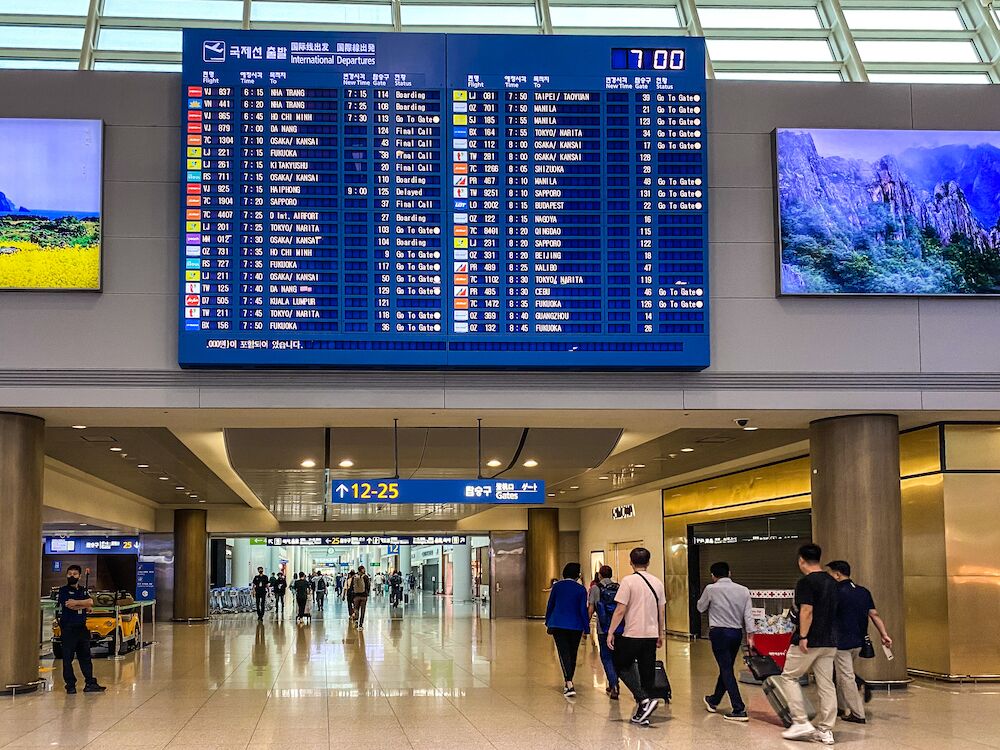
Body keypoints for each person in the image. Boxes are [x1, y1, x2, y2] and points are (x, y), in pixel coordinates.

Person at [780, 544, 839, 745]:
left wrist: (803, 636)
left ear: (801, 560)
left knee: (789, 676)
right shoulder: (833, 581)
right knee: (826, 683)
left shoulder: (805, 582)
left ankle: (800, 721)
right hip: (830, 641)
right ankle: (826, 729)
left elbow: (806, 610)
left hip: (810, 640)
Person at [826, 560, 893, 724]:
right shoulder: (863, 591)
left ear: (837, 574)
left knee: (845, 676)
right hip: (858, 641)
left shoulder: (835, 591)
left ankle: (857, 713)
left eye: (830, 574)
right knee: (841, 674)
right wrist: (884, 634)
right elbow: (874, 614)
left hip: (841, 641)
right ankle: (841, 707)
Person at [607, 547, 666, 727]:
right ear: (648, 562)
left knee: (620, 664)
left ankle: (643, 699)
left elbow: (620, 609)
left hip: (632, 633)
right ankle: (644, 712)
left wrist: (610, 631)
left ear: (631, 562)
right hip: (650, 634)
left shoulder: (628, 581)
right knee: (646, 671)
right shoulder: (657, 582)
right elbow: (661, 610)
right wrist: (660, 632)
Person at [697, 561, 757, 722]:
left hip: (719, 633)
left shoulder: (711, 589)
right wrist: (751, 636)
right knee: (727, 667)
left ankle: (739, 708)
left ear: (713, 576)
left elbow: (700, 607)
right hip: (736, 633)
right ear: (729, 573)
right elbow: (748, 615)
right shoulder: (743, 590)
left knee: (726, 668)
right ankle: (714, 700)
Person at [56, 564, 106, 694]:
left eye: (75, 574)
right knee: (68, 658)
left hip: (81, 628)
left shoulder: (83, 590)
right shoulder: (63, 590)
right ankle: (70, 685)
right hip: (68, 628)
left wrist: (78, 603)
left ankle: (90, 683)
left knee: (85, 657)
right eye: (70, 573)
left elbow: (90, 602)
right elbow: (68, 605)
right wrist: (83, 604)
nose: (72, 576)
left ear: (80, 576)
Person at [544, 563, 590, 698]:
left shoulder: (557, 587)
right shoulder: (581, 589)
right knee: (572, 652)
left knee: (563, 652)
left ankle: (568, 681)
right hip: (575, 625)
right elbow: (583, 610)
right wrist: (586, 628)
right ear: (577, 575)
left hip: (558, 624)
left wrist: (548, 621)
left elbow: (550, 604)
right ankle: (569, 680)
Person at [587, 564, 620, 699]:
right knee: (616, 656)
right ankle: (614, 681)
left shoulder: (595, 588)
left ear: (599, 575)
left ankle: (613, 684)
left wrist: (586, 624)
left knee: (606, 657)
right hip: (619, 628)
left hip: (603, 628)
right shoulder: (619, 587)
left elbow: (591, 608)